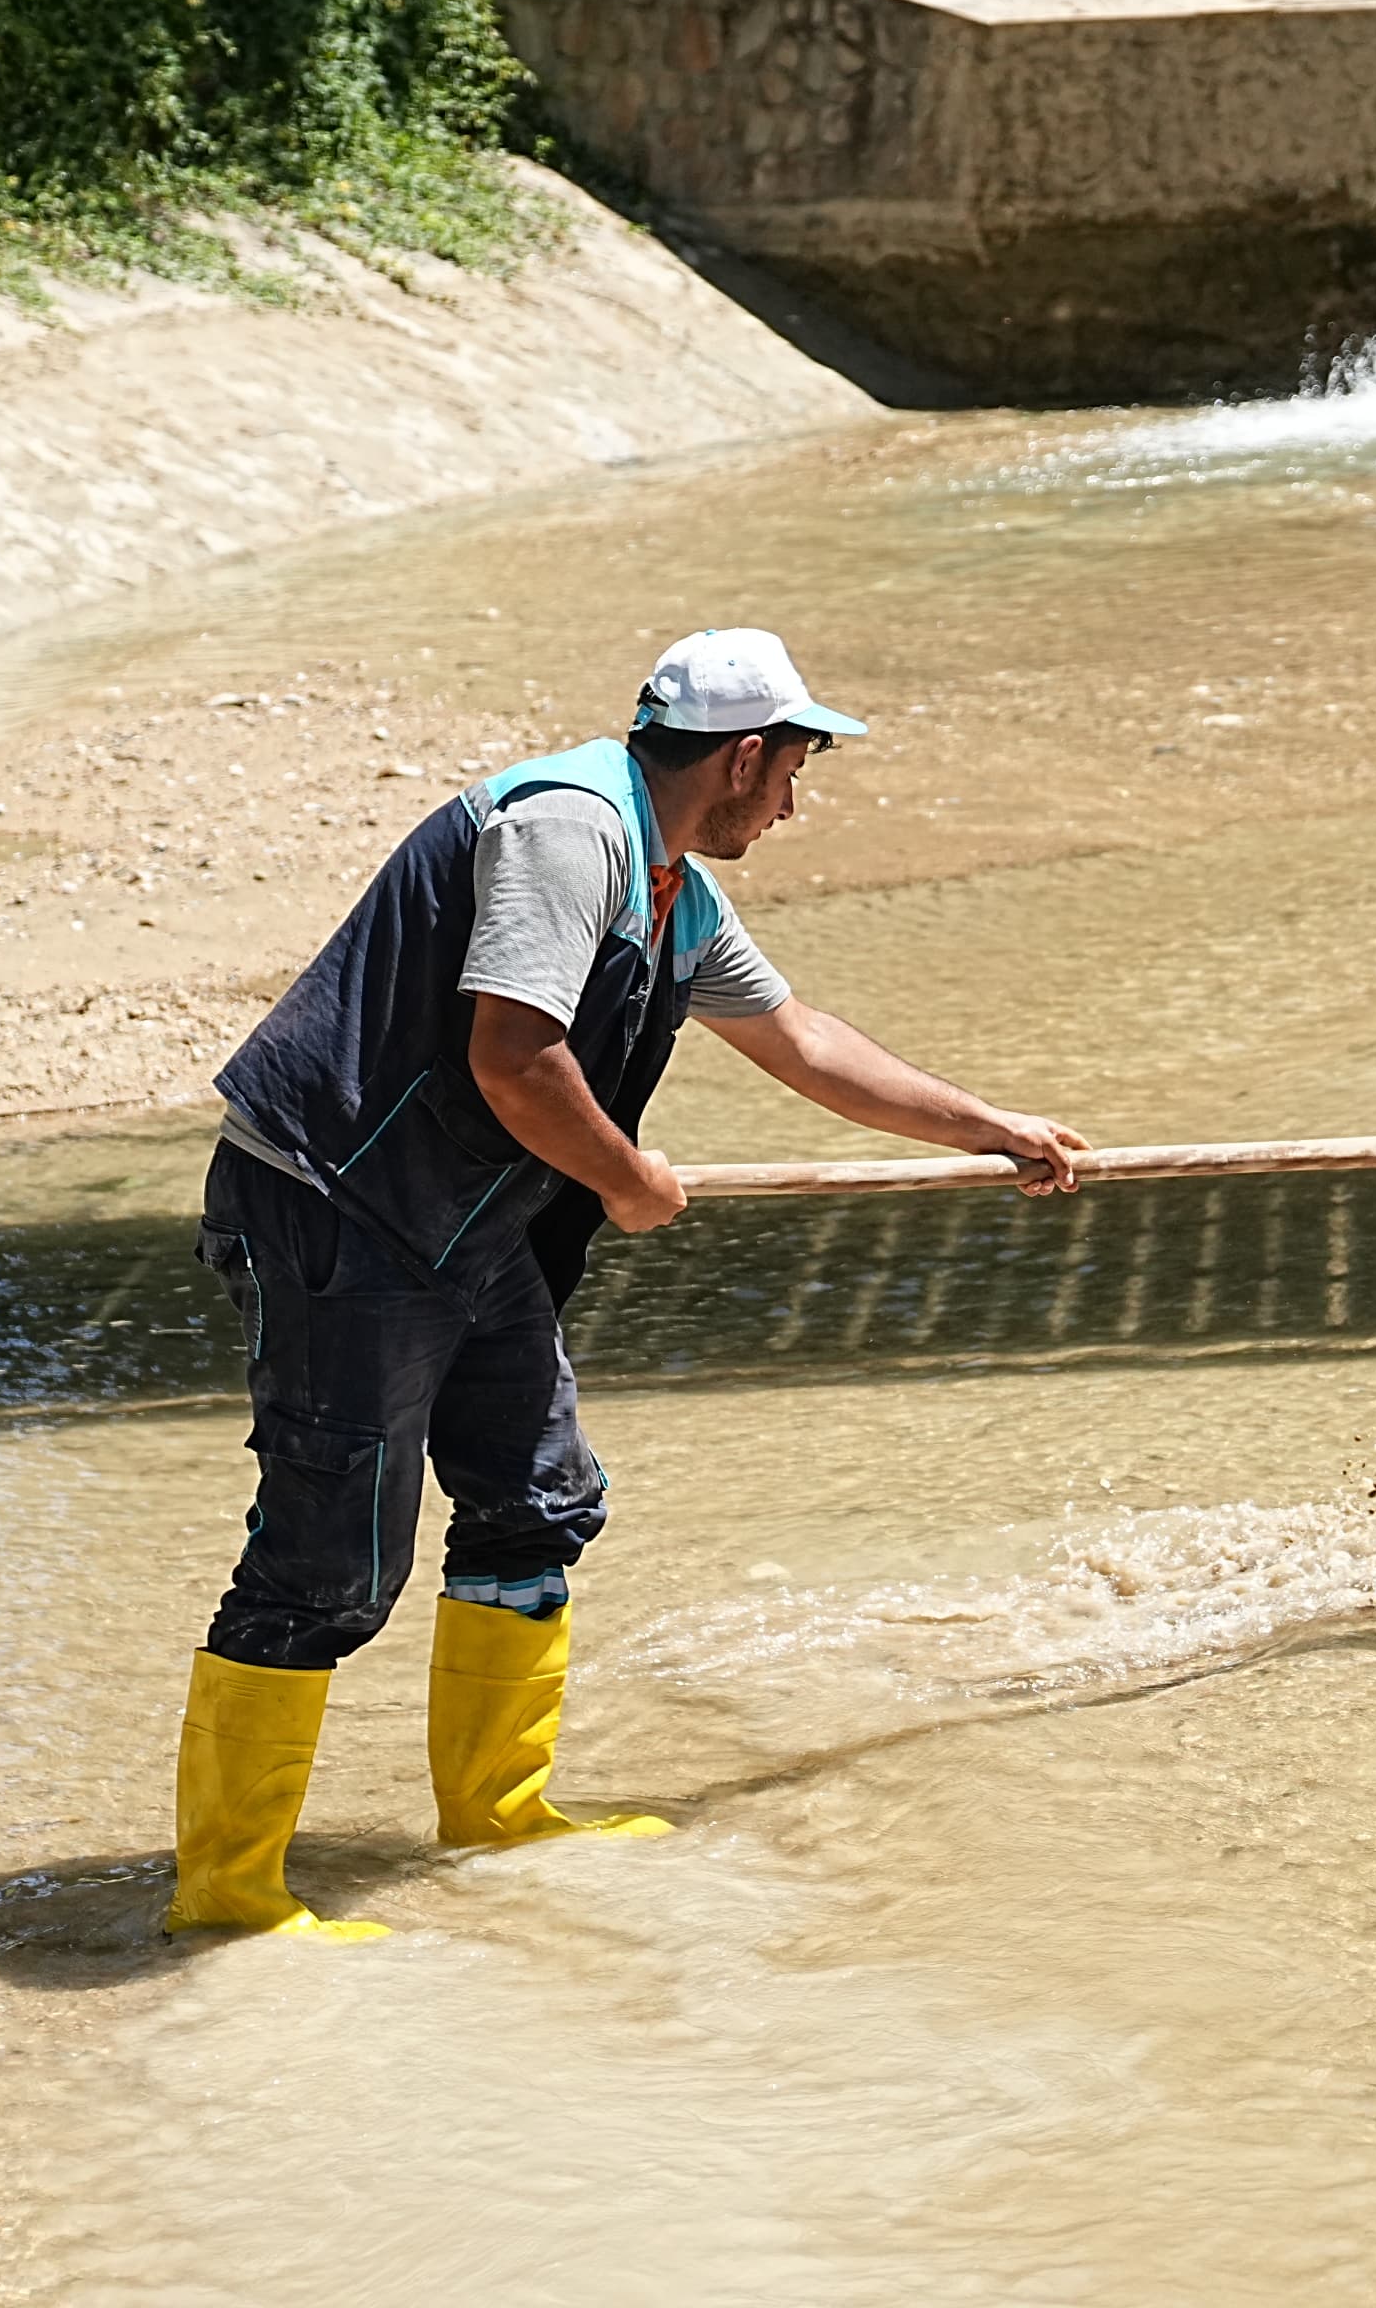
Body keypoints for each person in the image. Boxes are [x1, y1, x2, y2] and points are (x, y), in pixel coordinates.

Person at [166, 627, 1088, 1941]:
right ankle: (227, 1899)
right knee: (328, 1560)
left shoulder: (670, 890)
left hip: (466, 1225)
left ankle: (496, 1814)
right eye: (790, 777)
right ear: (744, 755)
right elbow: (514, 1056)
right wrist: (629, 1179)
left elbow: (806, 1043)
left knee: (537, 1501)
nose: (791, 807)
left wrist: (994, 1129)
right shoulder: (572, 834)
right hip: (341, 1209)